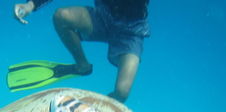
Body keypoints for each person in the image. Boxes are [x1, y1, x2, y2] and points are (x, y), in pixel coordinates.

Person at [14, 0, 150, 103]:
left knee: (122, 92)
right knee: (61, 16)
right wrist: (30, 5)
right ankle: (82, 66)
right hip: (102, 18)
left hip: (131, 32)